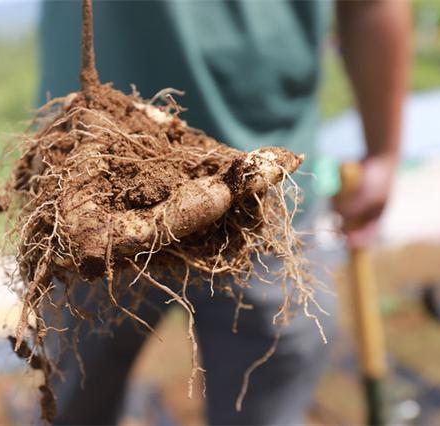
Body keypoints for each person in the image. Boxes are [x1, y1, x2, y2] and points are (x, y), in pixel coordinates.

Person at [38, 1, 411, 424]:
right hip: (86, 197)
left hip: (260, 205)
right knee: (75, 403)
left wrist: (384, 153)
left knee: (262, 407)